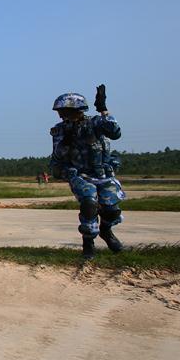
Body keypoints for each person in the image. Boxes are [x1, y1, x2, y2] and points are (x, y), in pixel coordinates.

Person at [49, 85, 125, 259]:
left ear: (77, 110)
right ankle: (88, 243)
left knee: (112, 210)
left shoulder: (96, 123)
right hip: (80, 174)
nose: (61, 115)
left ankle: (106, 232)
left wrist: (104, 110)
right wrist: (65, 142)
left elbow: (115, 133)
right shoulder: (60, 130)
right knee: (89, 204)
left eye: (65, 111)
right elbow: (58, 156)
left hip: (103, 174)